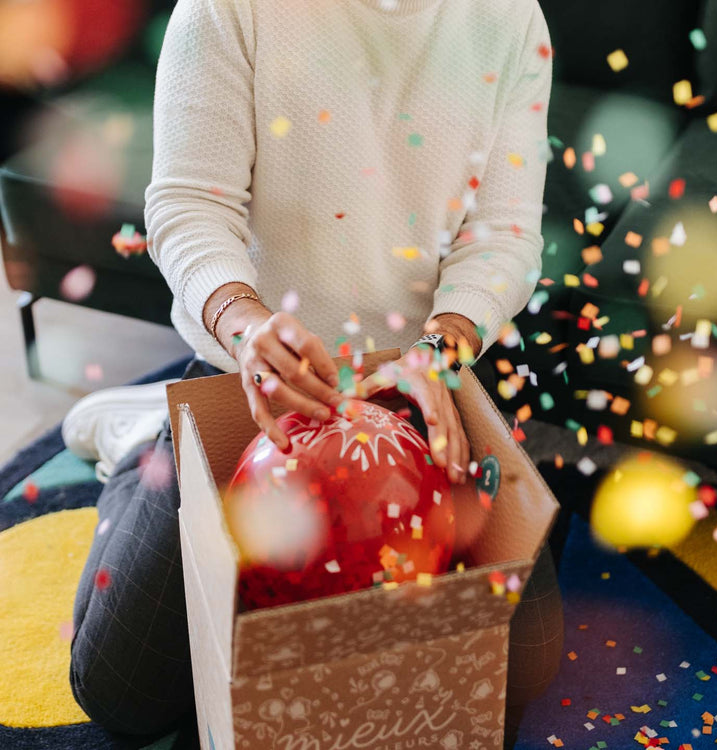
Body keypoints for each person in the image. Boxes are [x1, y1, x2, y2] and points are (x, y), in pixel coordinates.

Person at [66, 0, 562, 745]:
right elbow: (187, 204)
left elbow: (507, 233)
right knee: (123, 694)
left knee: (526, 667)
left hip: (420, 383)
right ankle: (143, 442)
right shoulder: (228, 9)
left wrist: (444, 347)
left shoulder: (512, 17)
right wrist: (247, 326)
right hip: (248, 380)